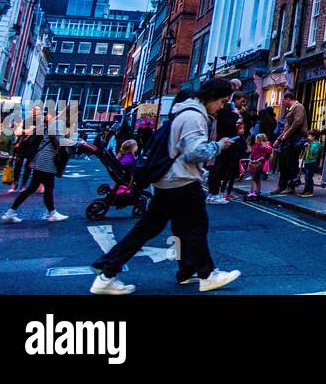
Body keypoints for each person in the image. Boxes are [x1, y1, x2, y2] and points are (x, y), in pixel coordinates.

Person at [90, 77, 242, 294]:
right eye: (222, 101)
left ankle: (108, 272)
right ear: (212, 97)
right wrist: (218, 145)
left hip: (168, 181)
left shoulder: (184, 113)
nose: (222, 107)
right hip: (182, 181)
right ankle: (207, 275)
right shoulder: (193, 117)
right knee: (196, 227)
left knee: (153, 228)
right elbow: (194, 152)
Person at [3, 113, 77, 223]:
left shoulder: (50, 125)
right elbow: (58, 141)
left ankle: (12, 213)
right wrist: (74, 142)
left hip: (43, 158)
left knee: (41, 187)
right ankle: (11, 213)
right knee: (42, 187)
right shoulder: (57, 124)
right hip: (46, 159)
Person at [207, 93, 242, 204]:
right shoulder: (227, 108)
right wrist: (236, 115)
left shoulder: (226, 107)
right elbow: (228, 123)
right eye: (241, 100)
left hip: (226, 142)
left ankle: (214, 193)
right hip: (224, 142)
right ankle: (214, 194)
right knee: (218, 168)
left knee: (220, 168)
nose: (221, 106)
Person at [272, 90, 308, 196]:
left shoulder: (298, 107)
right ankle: (283, 185)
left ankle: (290, 186)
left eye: (283, 100)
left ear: (288, 99)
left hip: (295, 139)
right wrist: (279, 139)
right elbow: (288, 126)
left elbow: (297, 122)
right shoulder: (292, 108)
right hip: (289, 138)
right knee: (284, 162)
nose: (283, 102)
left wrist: (284, 136)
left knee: (291, 162)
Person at [244, 134, 273, 200]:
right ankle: (256, 192)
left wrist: (263, 157)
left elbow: (267, 152)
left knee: (254, 178)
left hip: (257, 164)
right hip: (255, 163)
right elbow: (251, 154)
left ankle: (254, 192)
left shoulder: (264, 147)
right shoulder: (257, 146)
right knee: (255, 178)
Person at [298, 130, 324, 197]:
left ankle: (309, 191)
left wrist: (308, 146)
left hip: (312, 162)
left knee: (309, 177)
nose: (308, 137)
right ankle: (305, 191)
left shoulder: (316, 144)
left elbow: (312, 154)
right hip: (307, 162)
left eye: (309, 136)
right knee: (306, 177)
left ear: (314, 136)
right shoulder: (310, 143)